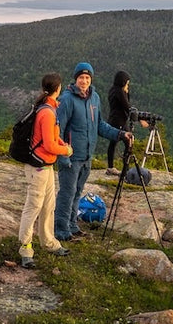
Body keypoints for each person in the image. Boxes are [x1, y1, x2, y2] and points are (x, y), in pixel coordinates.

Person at [54, 62, 134, 241]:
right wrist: (62, 156)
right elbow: (57, 130)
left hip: (87, 156)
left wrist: (120, 134)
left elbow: (99, 126)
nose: (84, 81)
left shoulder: (94, 98)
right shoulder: (67, 99)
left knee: (77, 191)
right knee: (67, 193)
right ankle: (60, 230)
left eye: (87, 78)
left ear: (91, 79)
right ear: (75, 79)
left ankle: (72, 225)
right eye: (81, 77)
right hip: (71, 156)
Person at [18, 72, 73, 269]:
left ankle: (49, 242)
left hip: (46, 166)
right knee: (33, 207)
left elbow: (51, 137)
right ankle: (26, 250)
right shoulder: (47, 112)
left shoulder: (48, 108)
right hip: (39, 167)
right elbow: (49, 145)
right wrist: (66, 149)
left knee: (48, 206)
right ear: (58, 89)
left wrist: (60, 142)